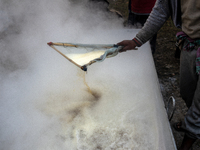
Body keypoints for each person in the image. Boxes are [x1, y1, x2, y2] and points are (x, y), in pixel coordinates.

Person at [117, 0, 200, 150]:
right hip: (190, 43)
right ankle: (193, 123)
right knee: (187, 92)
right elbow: (161, 10)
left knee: (199, 102)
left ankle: (189, 139)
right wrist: (137, 40)